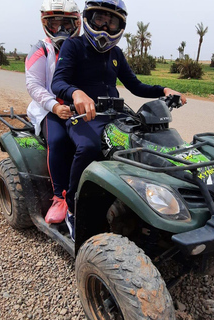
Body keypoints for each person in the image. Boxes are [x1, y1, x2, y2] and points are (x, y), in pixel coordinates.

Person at [51, 0, 187, 241]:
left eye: (112, 21)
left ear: (120, 26)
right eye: (100, 19)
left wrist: (164, 90)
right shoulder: (74, 46)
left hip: (116, 113)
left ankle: (155, 201)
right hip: (83, 116)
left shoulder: (116, 54)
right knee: (90, 147)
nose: (105, 26)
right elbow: (58, 82)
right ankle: (72, 206)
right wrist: (76, 93)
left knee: (145, 140)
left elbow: (135, 85)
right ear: (88, 18)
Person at [26, 0, 81, 224]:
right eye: (54, 24)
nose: (60, 30)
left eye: (65, 25)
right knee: (58, 141)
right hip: (50, 108)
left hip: (79, 107)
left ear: (76, 23)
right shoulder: (41, 48)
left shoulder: (84, 47)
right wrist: (55, 106)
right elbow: (34, 85)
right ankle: (60, 197)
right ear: (46, 24)